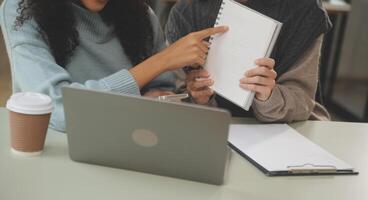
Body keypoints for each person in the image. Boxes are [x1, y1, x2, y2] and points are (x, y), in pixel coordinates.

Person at [0, 0, 227, 132]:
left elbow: (159, 93)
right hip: (56, 157)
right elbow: (57, 112)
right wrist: (161, 61)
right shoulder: (22, 10)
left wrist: (186, 96)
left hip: (132, 152)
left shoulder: (141, 15)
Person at [166, 0, 332, 123]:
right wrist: (198, 99)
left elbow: (302, 100)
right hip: (211, 130)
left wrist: (268, 96)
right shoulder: (186, 12)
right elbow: (174, 99)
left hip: (288, 130)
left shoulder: (304, 10)